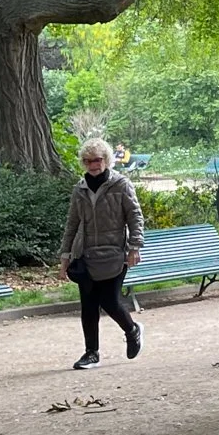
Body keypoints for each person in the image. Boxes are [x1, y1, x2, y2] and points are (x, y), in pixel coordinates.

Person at [59, 138, 145, 370]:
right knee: (88, 305)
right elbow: (72, 223)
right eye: (87, 161)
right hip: (86, 255)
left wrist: (135, 246)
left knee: (110, 301)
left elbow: (135, 216)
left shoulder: (121, 185)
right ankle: (91, 353)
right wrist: (65, 255)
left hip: (114, 253)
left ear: (106, 160)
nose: (93, 165)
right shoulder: (80, 189)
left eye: (97, 160)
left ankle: (132, 330)